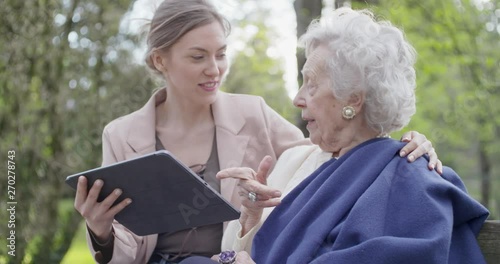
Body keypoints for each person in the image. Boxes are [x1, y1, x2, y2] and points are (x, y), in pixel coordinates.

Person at [73, 1, 442, 264]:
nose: (214, 69)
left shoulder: (252, 114)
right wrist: (101, 230)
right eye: (198, 57)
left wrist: (411, 142)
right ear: (160, 60)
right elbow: (127, 251)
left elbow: (333, 150)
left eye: (221, 54)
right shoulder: (121, 135)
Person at [209, 7, 489, 264]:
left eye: (312, 85)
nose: (297, 99)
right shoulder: (294, 159)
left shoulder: (412, 180)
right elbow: (237, 252)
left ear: (352, 101)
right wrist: (250, 218)